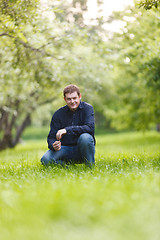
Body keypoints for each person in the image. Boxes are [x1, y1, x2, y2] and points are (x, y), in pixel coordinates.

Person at [41, 84, 95, 167]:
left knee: (85, 137)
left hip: (82, 149)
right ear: (65, 99)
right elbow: (51, 137)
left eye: (74, 98)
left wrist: (67, 130)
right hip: (65, 149)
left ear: (79, 96)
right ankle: (67, 166)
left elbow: (89, 128)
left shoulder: (87, 108)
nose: (72, 101)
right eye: (69, 99)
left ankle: (90, 167)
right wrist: (53, 145)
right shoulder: (58, 114)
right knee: (45, 160)